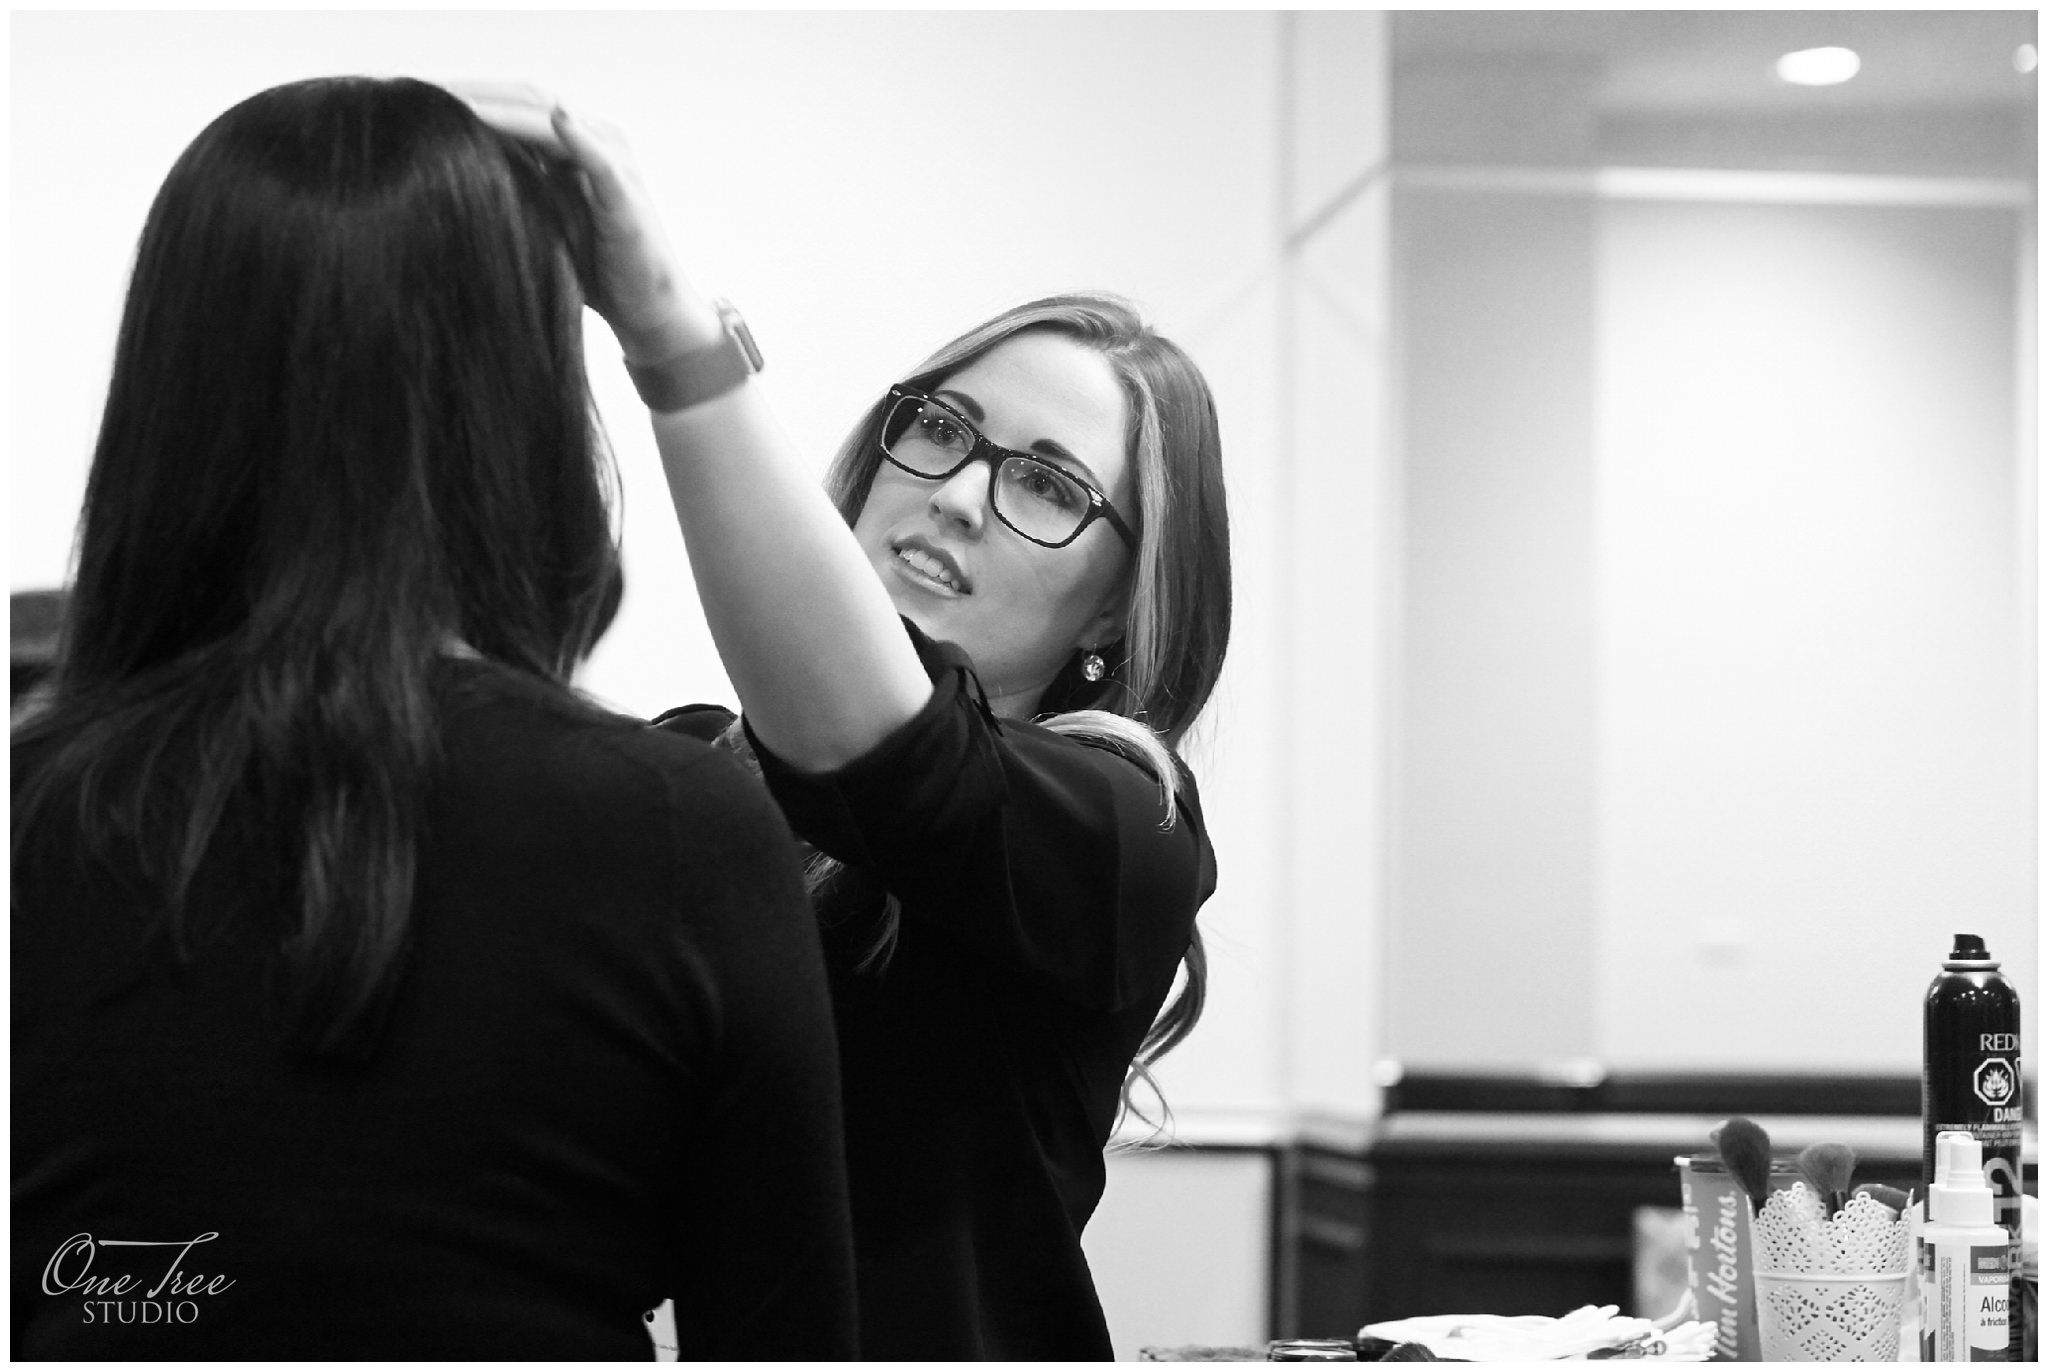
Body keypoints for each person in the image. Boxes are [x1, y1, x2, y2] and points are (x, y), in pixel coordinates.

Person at [10, 77, 856, 1361]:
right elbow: (788, 1339)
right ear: (516, 406)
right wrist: (666, 324)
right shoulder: (677, 824)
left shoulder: (31, 811)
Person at [469, 90, 1233, 1358]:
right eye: (940, 429)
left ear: (1121, 599)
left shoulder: (1120, 823)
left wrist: (670, 334)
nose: (959, 497)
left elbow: (899, 773)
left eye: (1046, 483)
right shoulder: (697, 761)